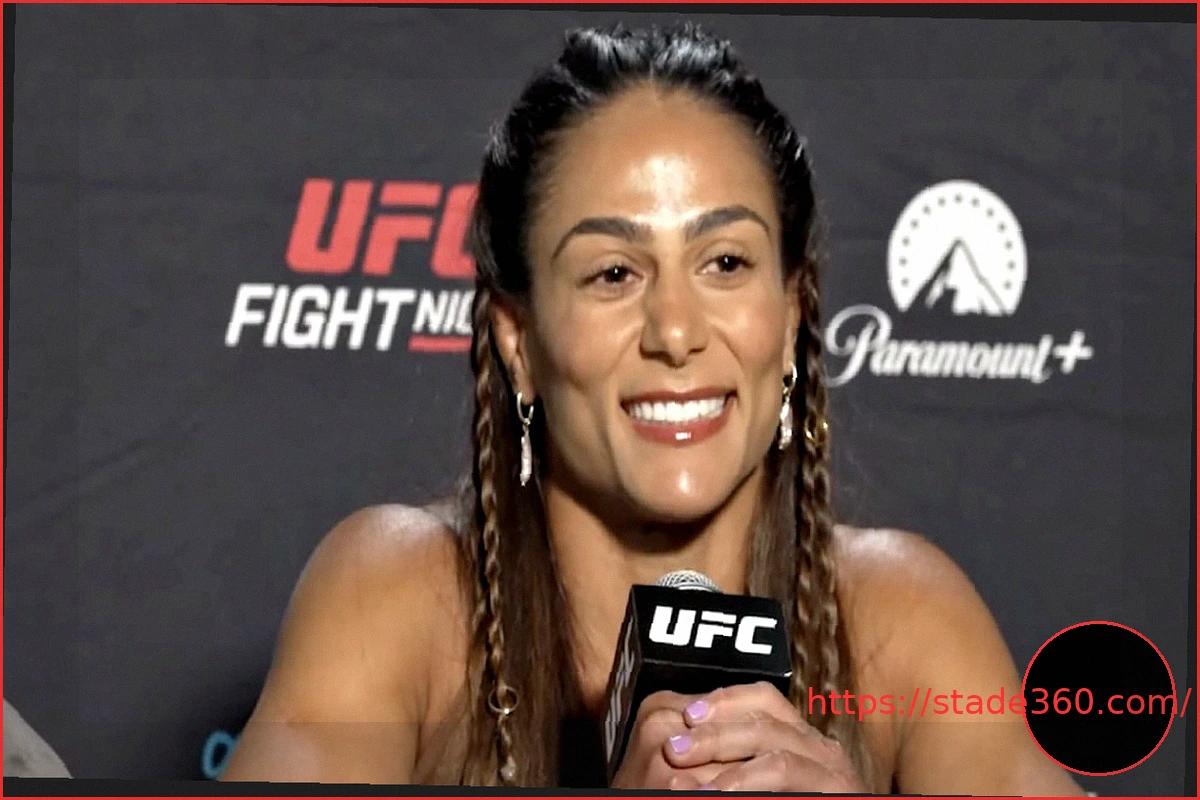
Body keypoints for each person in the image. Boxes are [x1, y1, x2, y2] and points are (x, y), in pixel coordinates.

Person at [221, 24, 1084, 793]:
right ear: (519, 340)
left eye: (726, 264)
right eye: (613, 273)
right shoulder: (395, 597)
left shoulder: (901, 618)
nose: (676, 331)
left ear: (791, 315)